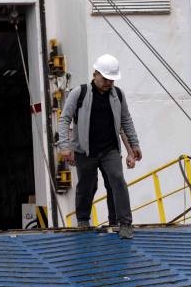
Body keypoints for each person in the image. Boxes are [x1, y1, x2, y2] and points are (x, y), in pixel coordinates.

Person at [57, 54, 142, 239]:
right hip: (85, 151)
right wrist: (65, 146)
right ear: (95, 74)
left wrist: (134, 145)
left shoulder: (118, 95)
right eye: (105, 79)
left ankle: (123, 222)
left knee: (117, 180)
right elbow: (64, 119)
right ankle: (83, 220)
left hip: (110, 149)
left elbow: (126, 120)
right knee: (87, 186)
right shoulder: (79, 93)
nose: (108, 83)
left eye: (111, 80)